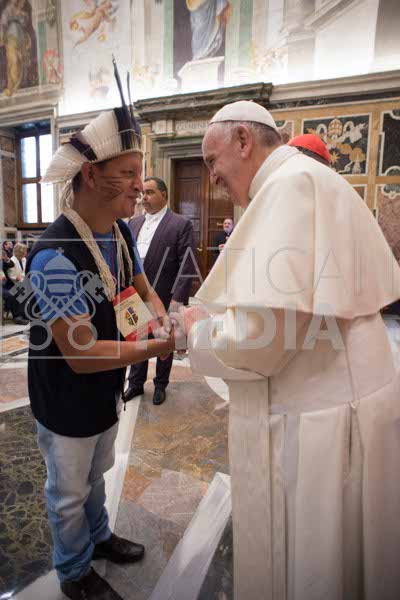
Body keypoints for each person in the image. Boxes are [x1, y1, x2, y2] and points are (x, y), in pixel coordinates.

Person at [171, 100, 400, 599]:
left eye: (211, 160)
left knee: (315, 563)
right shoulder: (308, 177)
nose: (211, 176)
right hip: (347, 392)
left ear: (243, 141)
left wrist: (198, 332)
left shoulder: (288, 186)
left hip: (322, 413)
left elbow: (263, 340)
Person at [22, 65, 175, 600]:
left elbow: (142, 287)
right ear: (91, 176)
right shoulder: (53, 256)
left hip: (104, 384)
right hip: (66, 393)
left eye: (141, 174)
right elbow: (81, 354)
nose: (140, 186)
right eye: (130, 173)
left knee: (95, 476)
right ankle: (73, 572)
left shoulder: (119, 234)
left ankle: (100, 536)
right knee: (68, 492)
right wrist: (157, 346)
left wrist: (160, 315)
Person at [126, 176, 196, 405]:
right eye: (142, 193)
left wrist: (177, 299)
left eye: (149, 192)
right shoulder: (133, 223)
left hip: (165, 294)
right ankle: (135, 383)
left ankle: (160, 384)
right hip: (135, 294)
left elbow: (187, 264)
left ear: (163, 194)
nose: (144, 198)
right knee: (137, 339)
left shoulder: (180, 224)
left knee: (164, 341)